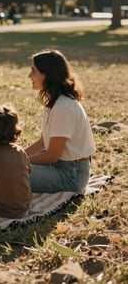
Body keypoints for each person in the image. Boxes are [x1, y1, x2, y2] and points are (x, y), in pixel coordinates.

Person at [26, 49, 96, 193]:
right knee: (8, 169)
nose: (29, 76)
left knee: (8, 173)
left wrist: (17, 162)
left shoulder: (63, 107)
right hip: (59, 167)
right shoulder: (55, 102)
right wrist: (15, 156)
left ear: (47, 75)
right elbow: (42, 143)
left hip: (71, 175)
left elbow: (52, 155)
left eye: (33, 71)